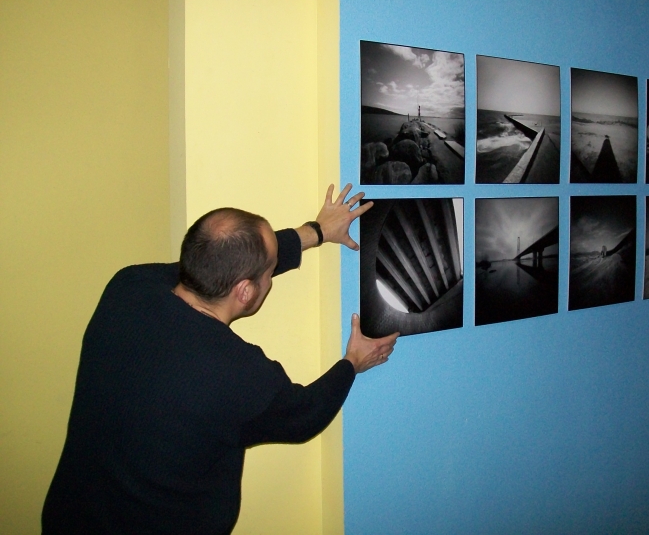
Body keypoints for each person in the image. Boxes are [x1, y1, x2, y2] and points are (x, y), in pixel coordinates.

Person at [42, 184, 399, 535]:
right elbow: (304, 415)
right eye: (268, 272)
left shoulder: (128, 287)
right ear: (245, 292)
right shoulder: (237, 373)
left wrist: (316, 232)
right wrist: (353, 361)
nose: (270, 278)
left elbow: (220, 263)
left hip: (68, 519)